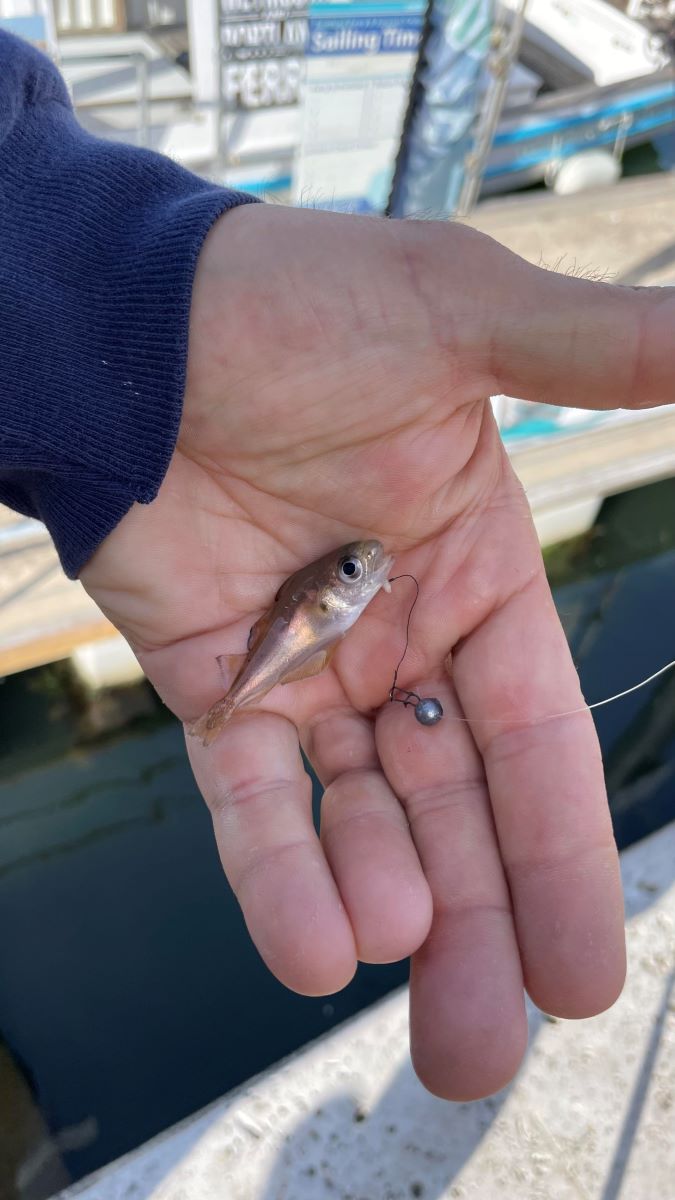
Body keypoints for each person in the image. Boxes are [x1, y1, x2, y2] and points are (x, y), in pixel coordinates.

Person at [1, 29, 673, 1103]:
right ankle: (235, 709)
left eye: (357, 568)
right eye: (358, 567)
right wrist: (112, 281)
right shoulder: (325, 601)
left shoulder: (336, 599)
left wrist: (117, 286)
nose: (365, 567)